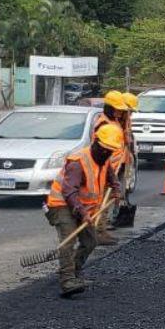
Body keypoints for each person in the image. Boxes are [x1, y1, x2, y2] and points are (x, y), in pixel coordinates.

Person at [44, 122, 126, 297]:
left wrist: (117, 190)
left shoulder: (104, 160)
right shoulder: (78, 161)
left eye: (110, 151)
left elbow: (112, 179)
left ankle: (75, 271)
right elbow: (68, 191)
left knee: (90, 241)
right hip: (62, 205)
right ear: (95, 142)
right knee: (69, 241)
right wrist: (82, 213)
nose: (106, 153)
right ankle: (67, 280)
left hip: (84, 208)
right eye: (104, 149)